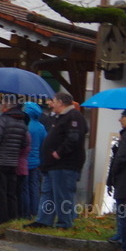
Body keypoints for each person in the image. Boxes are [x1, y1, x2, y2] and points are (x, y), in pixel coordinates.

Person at [28, 91, 89, 229]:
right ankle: (43, 220)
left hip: (64, 164)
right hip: (53, 165)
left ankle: (64, 223)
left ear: (61, 102)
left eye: (53, 101)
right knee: (48, 192)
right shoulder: (61, 117)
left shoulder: (74, 116)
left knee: (63, 194)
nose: (50, 104)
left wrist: (59, 153)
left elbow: (74, 138)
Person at [0, 99, 29, 226]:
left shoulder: (2, 119)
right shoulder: (22, 122)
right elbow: (24, 143)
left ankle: (1, 221)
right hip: (13, 161)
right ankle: (12, 220)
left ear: (6, 107)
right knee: (11, 193)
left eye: (2, 105)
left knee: (0, 193)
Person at [106, 110, 126, 251]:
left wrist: (112, 177)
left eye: (122, 117)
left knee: (124, 216)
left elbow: (121, 158)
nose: (119, 120)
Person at [19, 102, 47, 219]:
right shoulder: (41, 127)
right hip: (36, 162)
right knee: (34, 188)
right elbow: (45, 144)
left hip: (24, 162)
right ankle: (34, 210)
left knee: (23, 188)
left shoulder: (24, 125)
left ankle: (25, 212)